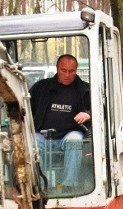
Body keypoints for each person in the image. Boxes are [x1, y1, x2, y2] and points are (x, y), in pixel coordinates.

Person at [29, 54, 91, 193]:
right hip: (42, 135)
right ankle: (38, 187)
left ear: (76, 70)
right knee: (31, 144)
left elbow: (101, 108)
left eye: (72, 71)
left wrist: (88, 114)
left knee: (75, 140)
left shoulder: (85, 90)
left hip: (69, 134)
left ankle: (68, 186)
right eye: (63, 70)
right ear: (57, 68)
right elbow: (25, 107)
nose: (67, 74)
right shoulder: (41, 88)